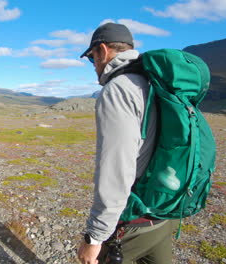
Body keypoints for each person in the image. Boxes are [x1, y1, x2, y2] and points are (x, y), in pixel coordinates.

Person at [77, 23, 175, 264]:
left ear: (102, 50)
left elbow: (116, 171)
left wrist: (95, 238)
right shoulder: (153, 82)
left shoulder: (117, 90)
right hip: (162, 213)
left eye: (92, 60)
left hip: (133, 223)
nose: (94, 67)